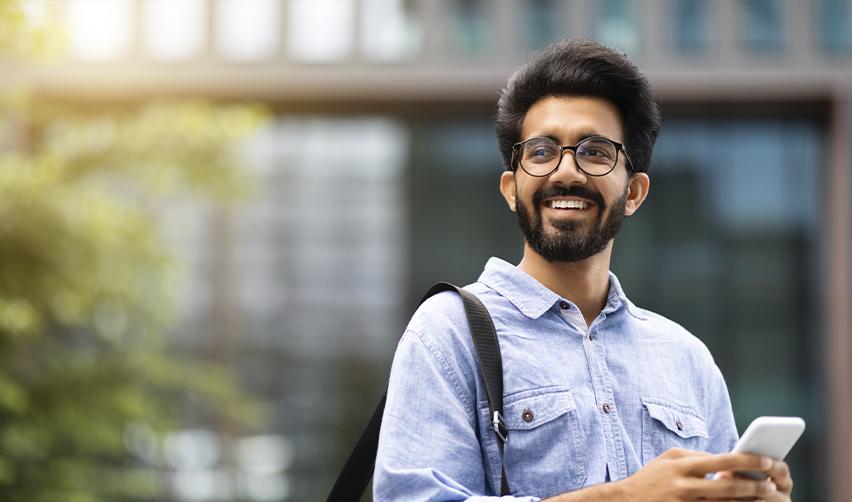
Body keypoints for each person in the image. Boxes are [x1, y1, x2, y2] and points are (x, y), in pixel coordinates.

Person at [373, 39, 794, 501]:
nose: (566, 172)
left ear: (633, 192)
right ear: (512, 189)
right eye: (541, 151)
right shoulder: (448, 333)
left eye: (595, 152)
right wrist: (626, 497)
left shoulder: (687, 360)